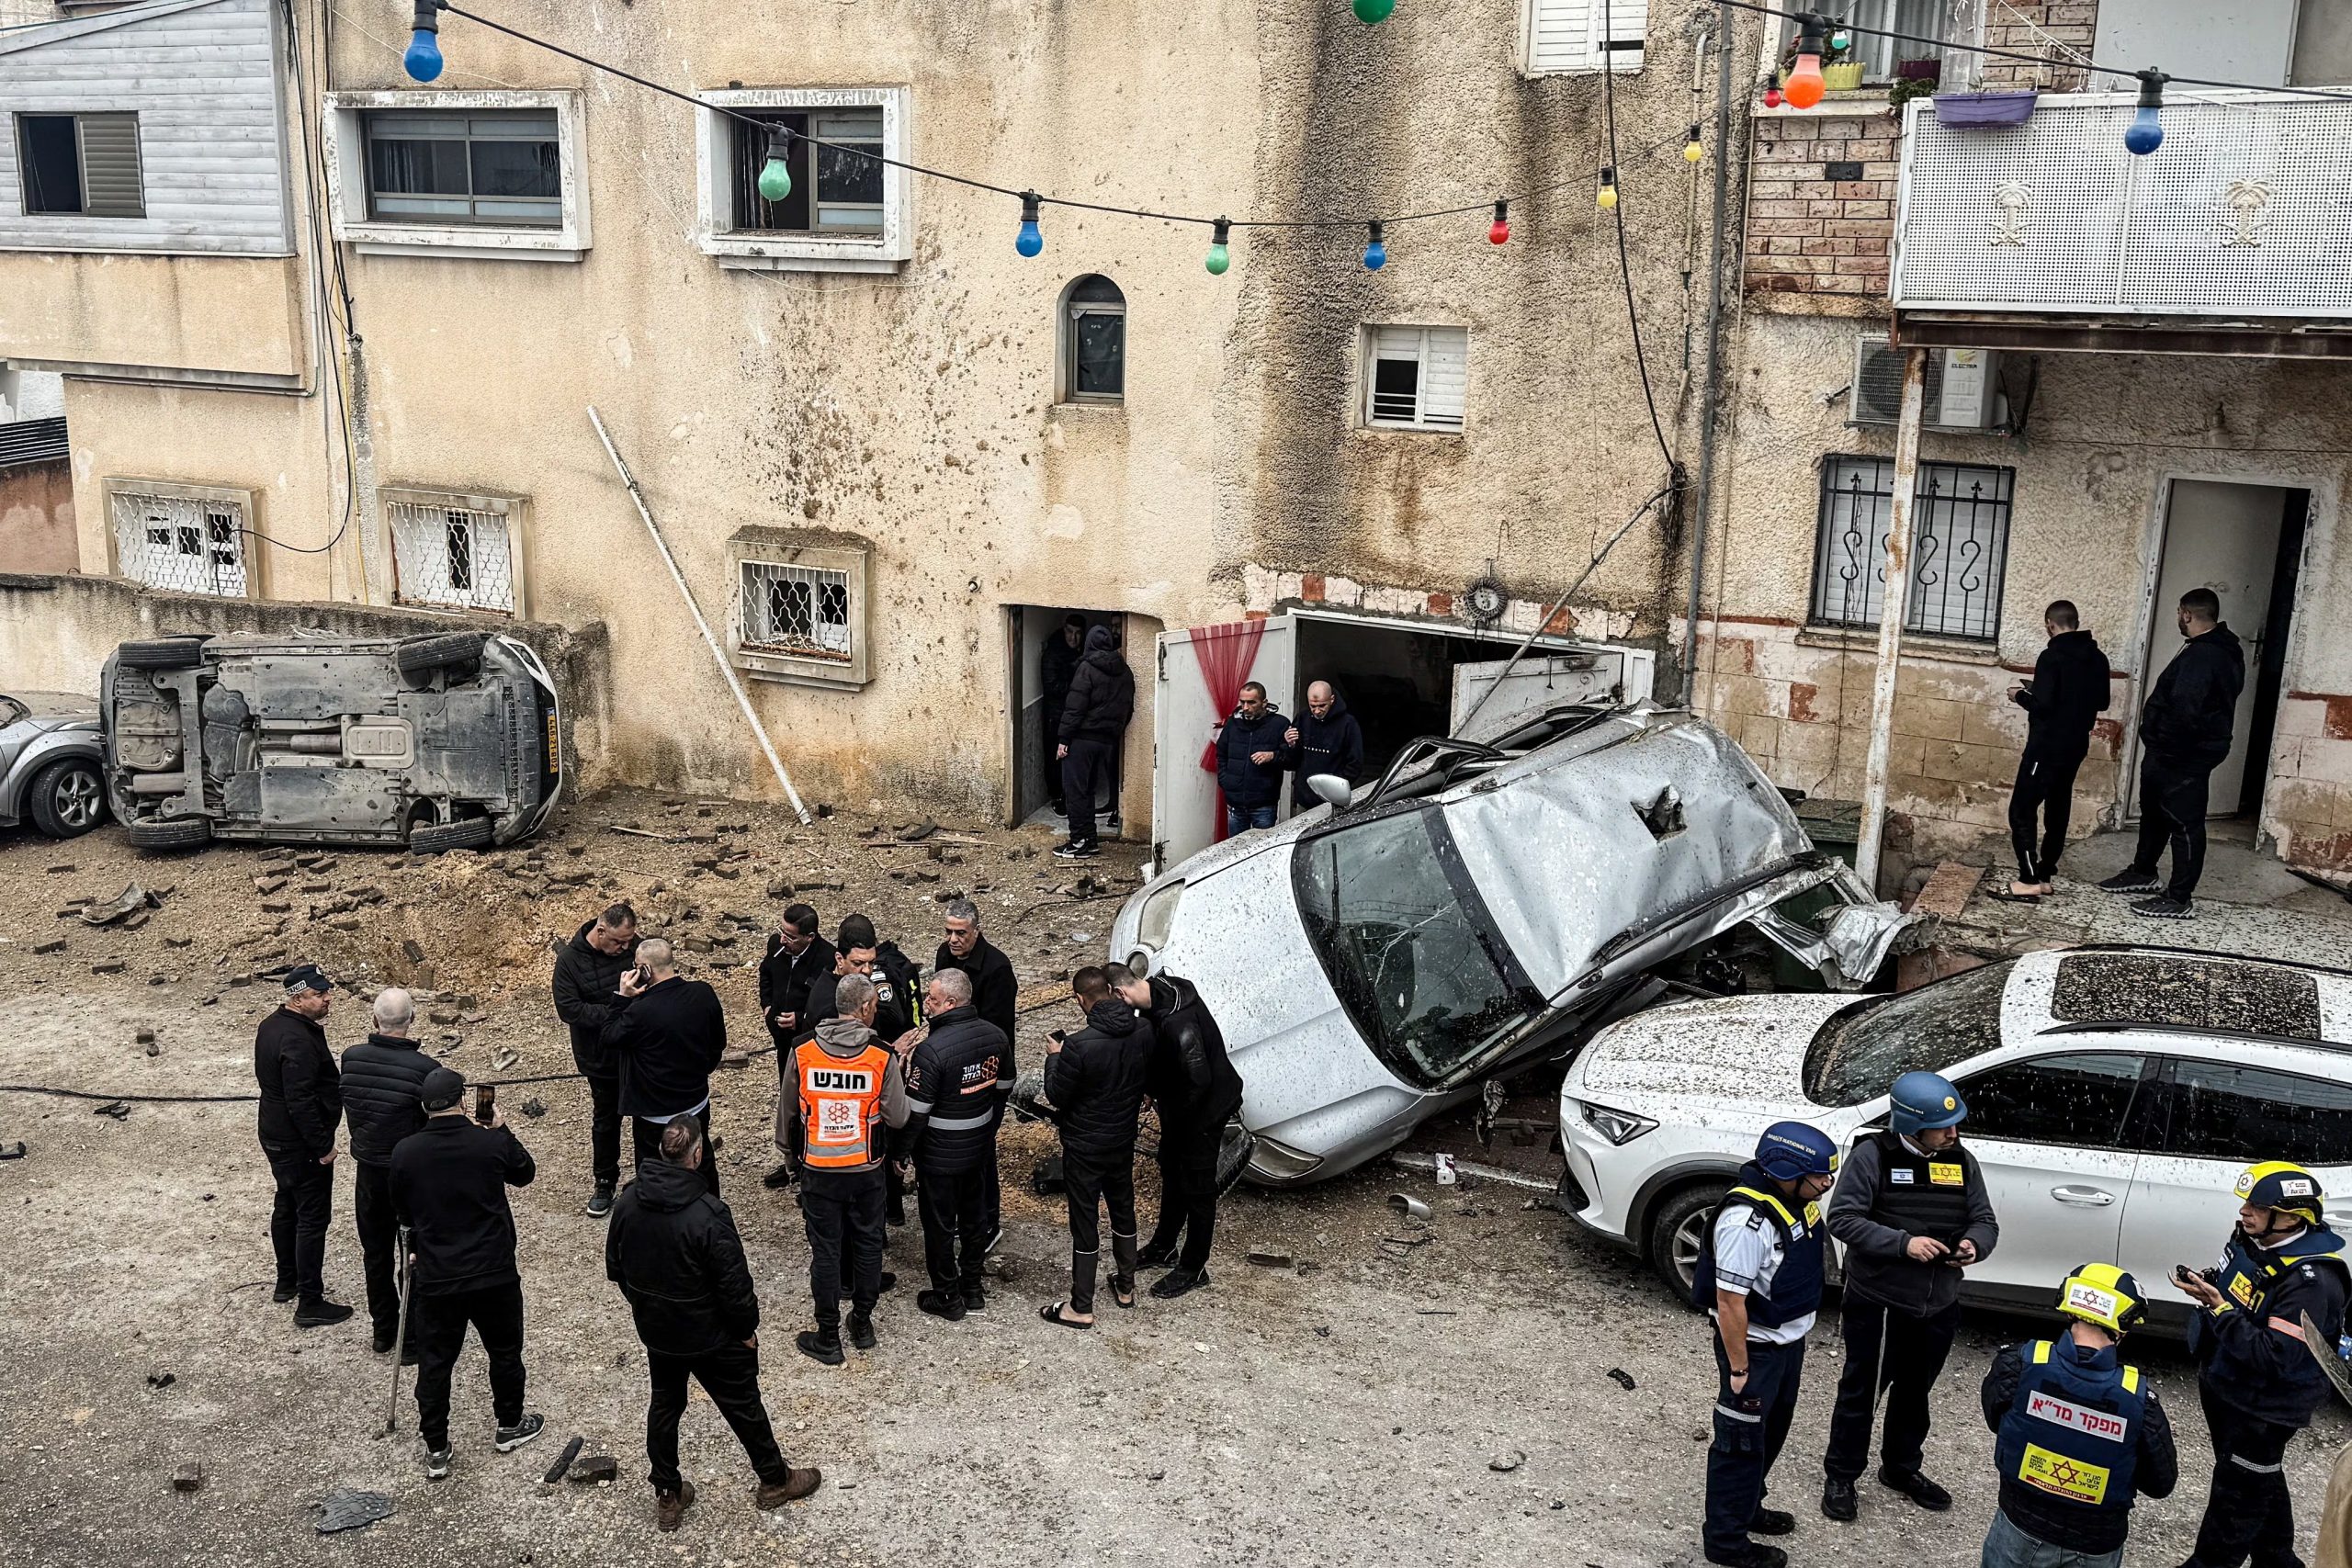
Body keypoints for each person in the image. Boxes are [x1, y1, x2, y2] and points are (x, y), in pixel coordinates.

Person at [607, 1113, 821, 1531]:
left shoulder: (628, 1201)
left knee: (665, 1407)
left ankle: (667, 1493)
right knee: (743, 1405)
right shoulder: (709, 1213)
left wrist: (644, 1305)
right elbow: (734, 1286)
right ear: (698, 1154)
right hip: (710, 1334)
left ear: (658, 1152)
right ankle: (774, 1480)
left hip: (658, 1330)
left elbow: (616, 1267)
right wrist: (745, 1331)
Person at [1821, 1069, 1998, 1523]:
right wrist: (1904, 1244)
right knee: (1862, 1392)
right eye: (1943, 1127)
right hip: (1880, 1303)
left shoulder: (1961, 1160)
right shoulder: (1871, 1157)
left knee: (1915, 1393)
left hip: (1938, 1305)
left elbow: (1985, 1219)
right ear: (1910, 1126)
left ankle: (1900, 1470)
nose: (1954, 1133)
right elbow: (1842, 1220)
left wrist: (1974, 1244)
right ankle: (1841, 1475)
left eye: (1955, 1124)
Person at [2173, 1161, 2349, 1568]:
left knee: (2236, 1495)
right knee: (2257, 1479)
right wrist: (2210, 1287)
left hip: (2262, 1410)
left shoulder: (2312, 1282)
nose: (2244, 1211)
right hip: (2228, 1384)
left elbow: (2277, 1357)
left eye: (2256, 1205)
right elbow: (2237, 1283)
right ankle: (2278, 1560)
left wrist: (2218, 1311)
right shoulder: (2254, 1238)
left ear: (2290, 1216)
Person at [1694, 1122, 1841, 1568]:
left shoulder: (1794, 1200)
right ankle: (1725, 1541)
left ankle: (1748, 1508)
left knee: (1770, 1434)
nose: (1827, 1183)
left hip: (1785, 1346)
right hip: (1755, 1353)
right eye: (1819, 1176)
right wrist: (1740, 1371)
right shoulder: (1746, 1223)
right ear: (1785, 1170)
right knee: (1739, 1445)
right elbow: (1729, 1300)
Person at [388, 1066, 542, 1479]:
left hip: (438, 1276)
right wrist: (502, 1128)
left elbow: (401, 1209)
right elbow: (525, 1174)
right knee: (505, 1352)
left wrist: (415, 1247)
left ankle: (436, 1445)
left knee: (436, 1363)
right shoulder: (488, 1143)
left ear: (425, 1107)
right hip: (493, 1271)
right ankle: (509, 1424)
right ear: (461, 1101)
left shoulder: (405, 1152)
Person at [1978, 1264, 2177, 1568]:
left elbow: (1997, 1419)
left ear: (2070, 1307)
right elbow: (2160, 1483)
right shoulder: (2140, 1401)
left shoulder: (2018, 1365)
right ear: (2123, 1326)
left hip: (2018, 1531)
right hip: (2095, 1545)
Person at [2098, 587, 2245, 919]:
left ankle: (2179, 898)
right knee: (2155, 811)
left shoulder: (2205, 656)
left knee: (2183, 821)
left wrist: (2165, 746)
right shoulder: (2215, 649)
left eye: (2179, 612)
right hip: (2175, 751)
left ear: (2188, 614)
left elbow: (2186, 710)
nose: (2178, 618)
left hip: (2183, 755)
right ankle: (2143, 871)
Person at [786, 974, 910, 1365]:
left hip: (819, 1170)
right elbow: (899, 1116)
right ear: (867, 1008)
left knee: (825, 1252)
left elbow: (787, 1112)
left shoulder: (802, 1049)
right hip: (865, 1170)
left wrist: (792, 1161)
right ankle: (862, 1322)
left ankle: (827, 1335)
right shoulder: (880, 1053)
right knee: (869, 1244)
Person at [1038, 964, 1154, 1329]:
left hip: (1085, 1145)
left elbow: (1058, 1095)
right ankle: (1125, 1286)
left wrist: (1055, 1056)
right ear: (1110, 990)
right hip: (1122, 1139)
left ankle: (1081, 1306)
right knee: (1123, 1208)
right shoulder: (1144, 1030)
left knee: (1085, 1221)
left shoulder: (1078, 1045)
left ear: (1079, 1000)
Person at [1119, 964, 1243, 1299]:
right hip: (1181, 1104)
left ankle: (1194, 1266)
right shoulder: (1162, 991)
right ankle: (1164, 1246)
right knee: (1172, 1169)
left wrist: (1181, 1120)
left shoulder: (1178, 1023)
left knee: (1199, 1186)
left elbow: (1198, 1080)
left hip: (1204, 1110)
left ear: (1121, 993)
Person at [903, 968, 1008, 1321]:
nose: (926, 1004)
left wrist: (901, 1152)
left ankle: (947, 1295)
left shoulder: (931, 1052)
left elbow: (916, 1112)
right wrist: (987, 1124)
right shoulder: (996, 1036)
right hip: (978, 1148)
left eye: (931, 999)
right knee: (975, 1220)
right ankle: (973, 1288)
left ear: (950, 1002)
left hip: (938, 1157)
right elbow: (1004, 1085)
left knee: (939, 1226)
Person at [254, 963, 351, 1327]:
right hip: (298, 1143)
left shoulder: (272, 1025)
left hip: (276, 1135)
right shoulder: (296, 1039)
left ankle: (286, 1280)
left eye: (326, 992)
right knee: (311, 1217)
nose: (327, 999)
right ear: (297, 999)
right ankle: (310, 1300)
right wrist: (322, 1145)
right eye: (318, 994)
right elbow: (300, 1101)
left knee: (286, 1203)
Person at [341, 987, 434, 1357]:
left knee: (375, 1253)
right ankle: (410, 1336)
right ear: (412, 1020)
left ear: (374, 1020)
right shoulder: (426, 1070)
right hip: (408, 1175)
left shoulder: (351, 1058)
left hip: (368, 1170)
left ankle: (383, 1330)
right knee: (413, 1255)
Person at [2000, 602, 2110, 899]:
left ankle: (2028, 879)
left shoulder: (2052, 656)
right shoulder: (2098, 658)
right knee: (2058, 806)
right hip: (2076, 745)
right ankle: (2046, 873)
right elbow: (2102, 701)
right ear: (2075, 621)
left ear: (2050, 624)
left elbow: (2044, 706)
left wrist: (2020, 694)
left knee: (2021, 810)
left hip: (2045, 747)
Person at [603, 937, 724, 1193]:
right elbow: (718, 1044)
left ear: (645, 970)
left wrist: (622, 997)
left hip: (654, 1114)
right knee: (702, 1160)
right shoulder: (703, 993)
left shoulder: (640, 1012)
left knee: (653, 1171)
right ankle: (708, 1207)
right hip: (696, 1102)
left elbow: (609, 1036)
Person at [934, 898, 1017, 1249]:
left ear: (976, 932)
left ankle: (988, 1221)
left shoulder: (997, 969)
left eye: (961, 933)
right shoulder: (945, 956)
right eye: (949, 932)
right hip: (953, 1065)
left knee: (982, 1147)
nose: (953, 940)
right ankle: (966, 1216)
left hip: (985, 1068)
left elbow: (996, 1031)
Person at [552, 902, 639, 1217]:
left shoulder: (635, 947)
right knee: (606, 1121)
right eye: (619, 942)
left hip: (638, 1051)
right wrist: (620, 1006)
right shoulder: (569, 962)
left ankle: (649, 1177)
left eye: (629, 941)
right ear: (600, 931)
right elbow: (570, 1011)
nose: (626, 947)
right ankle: (604, 1182)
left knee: (646, 1116)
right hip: (601, 1058)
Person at [757, 904, 833, 1190]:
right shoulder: (777, 948)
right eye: (781, 932)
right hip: (783, 1045)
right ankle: (792, 1162)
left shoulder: (826, 959)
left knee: (809, 1105)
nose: (782, 940)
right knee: (788, 1104)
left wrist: (801, 1020)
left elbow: (829, 1005)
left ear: (809, 937)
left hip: (813, 1047)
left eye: (789, 936)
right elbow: (765, 974)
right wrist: (767, 1007)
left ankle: (811, 1166)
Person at [1055, 623, 1134, 860]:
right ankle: (1090, 841)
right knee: (1087, 789)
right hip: (1107, 742)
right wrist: (1113, 732)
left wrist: (1064, 739)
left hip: (1082, 739)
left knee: (1076, 792)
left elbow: (1074, 707)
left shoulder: (1086, 668)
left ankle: (1079, 841)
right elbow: (1128, 709)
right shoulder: (1125, 671)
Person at [1213, 681, 1290, 837]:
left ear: (1264, 703)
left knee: (1263, 852)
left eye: (1251, 702)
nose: (1245, 707)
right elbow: (1221, 753)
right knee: (1235, 851)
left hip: (1264, 805)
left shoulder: (1279, 724)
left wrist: (1272, 756)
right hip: (1235, 803)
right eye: (1242, 702)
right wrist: (1225, 781)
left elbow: (1291, 760)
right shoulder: (1233, 724)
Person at [1284, 680, 1366, 812]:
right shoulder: (1303, 718)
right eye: (1313, 706)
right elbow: (1291, 763)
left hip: (1332, 802)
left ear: (1332, 699)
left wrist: (1337, 788)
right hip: (1304, 800)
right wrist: (1290, 745)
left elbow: (1356, 763)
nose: (1317, 711)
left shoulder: (1348, 724)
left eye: (1322, 705)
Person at [1040, 613, 1087, 815]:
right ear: (1063, 629)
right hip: (1056, 715)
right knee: (1055, 757)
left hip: (1071, 714)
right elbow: (1052, 687)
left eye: (1078, 633)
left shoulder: (1078, 651)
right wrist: (1079, 688)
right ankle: (1057, 796)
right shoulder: (1053, 654)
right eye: (1069, 632)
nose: (1073, 637)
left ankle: (1067, 795)